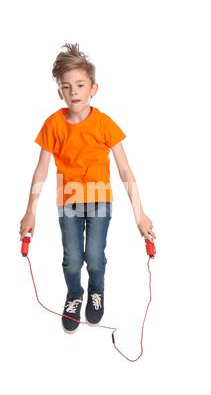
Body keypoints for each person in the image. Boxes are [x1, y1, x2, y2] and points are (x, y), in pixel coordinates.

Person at [19, 43, 156, 334]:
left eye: (80, 85)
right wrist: (30, 212)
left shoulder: (105, 124)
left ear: (93, 88)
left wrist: (140, 215)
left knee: (94, 257)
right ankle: (74, 295)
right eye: (66, 87)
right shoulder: (53, 124)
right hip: (68, 201)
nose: (74, 92)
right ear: (60, 91)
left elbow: (124, 170)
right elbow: (41, 169)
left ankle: (96, 289)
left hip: (99, 202)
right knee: (72, 260)